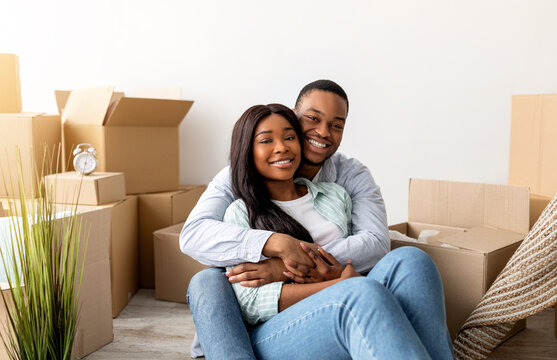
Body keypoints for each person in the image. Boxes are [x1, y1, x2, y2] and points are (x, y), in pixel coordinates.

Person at [181, 80, 454, 359]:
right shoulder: (238, 193)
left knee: (411, 259)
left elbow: (374, 244)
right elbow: (194, 236)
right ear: (293, 116)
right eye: (313, 119)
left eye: (336, 125)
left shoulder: (338, 190)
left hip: (336, 302)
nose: (323, 132)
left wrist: (286, 266)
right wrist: (278, 245)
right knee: (207, 279)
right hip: (276, 324)